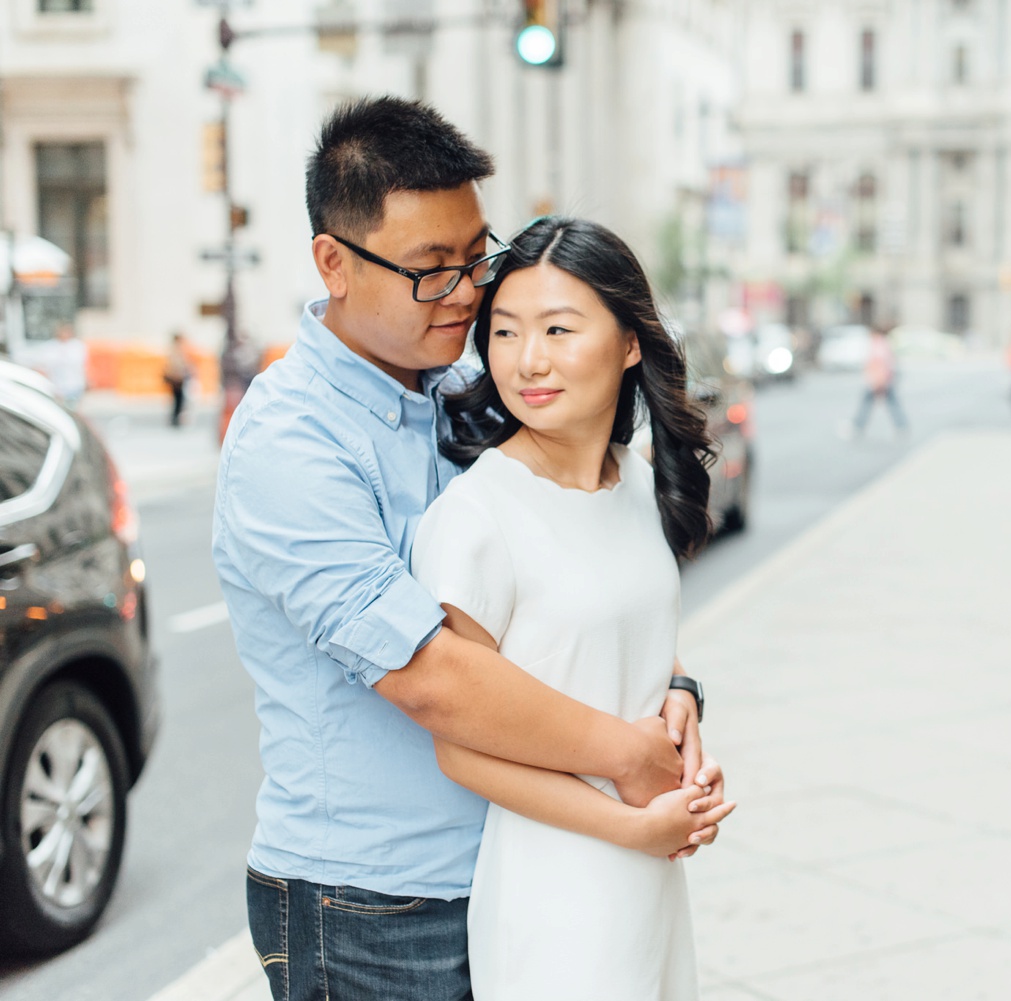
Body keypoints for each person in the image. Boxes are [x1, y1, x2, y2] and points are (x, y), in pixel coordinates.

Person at [213, 98, 723, 1001]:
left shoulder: (462, 387)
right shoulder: (288, 445)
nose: (465, 293)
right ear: (332, 262)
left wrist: (672, 688)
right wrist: (629, 757)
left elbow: (562, 585)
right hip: (368, 900)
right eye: (427, 270)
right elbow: (433, 675)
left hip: (508, 863)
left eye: (473, 257)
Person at [414, 216, 734, 1000]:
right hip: (553, 889)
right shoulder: (477, 516)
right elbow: (459, 747)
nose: (529, 360)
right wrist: (633, 827)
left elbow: (623, 649)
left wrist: (680, 709)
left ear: (629, 342)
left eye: (559, 328)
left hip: (649, 875)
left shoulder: (632, 478)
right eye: (507, 331)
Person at [847, 322, 907, 437]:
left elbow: (879, 364)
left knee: (867, 403)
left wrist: (878, 381)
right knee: (891, 403)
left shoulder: (878, 343)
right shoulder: (884, 343)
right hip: (883, 380)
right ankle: (901, 426)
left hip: (878, 380)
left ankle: (858, 425)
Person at [30, 323, 88, 407]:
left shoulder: (77, 346)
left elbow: (83, 366)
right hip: (57, 386)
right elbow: (41, 366)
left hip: (75, 385)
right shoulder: (50, 347)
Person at [164, 331, 192, 427]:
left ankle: (175, 418)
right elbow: (176, 365)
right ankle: (175, 419)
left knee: (178, 399)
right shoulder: (176, 350)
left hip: (177, 377)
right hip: (177, 378)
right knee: (178, 399)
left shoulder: (175, 349)